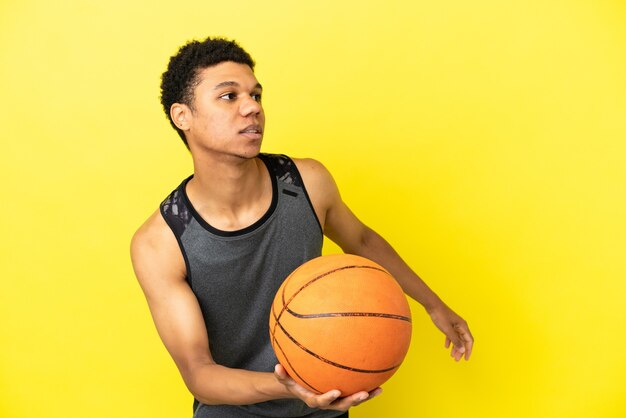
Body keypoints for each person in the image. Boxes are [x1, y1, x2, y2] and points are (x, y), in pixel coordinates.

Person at [130, 37, 474, 418]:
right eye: (229, 97)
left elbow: (360, 240)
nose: (252, 108)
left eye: (256, 95)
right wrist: (289, 383)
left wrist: (433, 304)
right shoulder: (160, 244)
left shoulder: (307, 182)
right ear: (183, 116)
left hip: (325, 409)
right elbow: (199, 372)